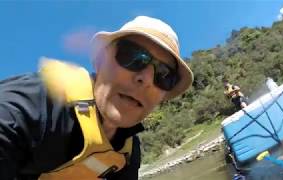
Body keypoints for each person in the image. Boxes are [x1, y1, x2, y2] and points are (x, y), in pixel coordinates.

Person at [0, 16, 193, 180]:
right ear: (100, 61)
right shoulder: (32, 104)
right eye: (133, 57)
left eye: (164, 74)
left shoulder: (129, 151)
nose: (146, 79)